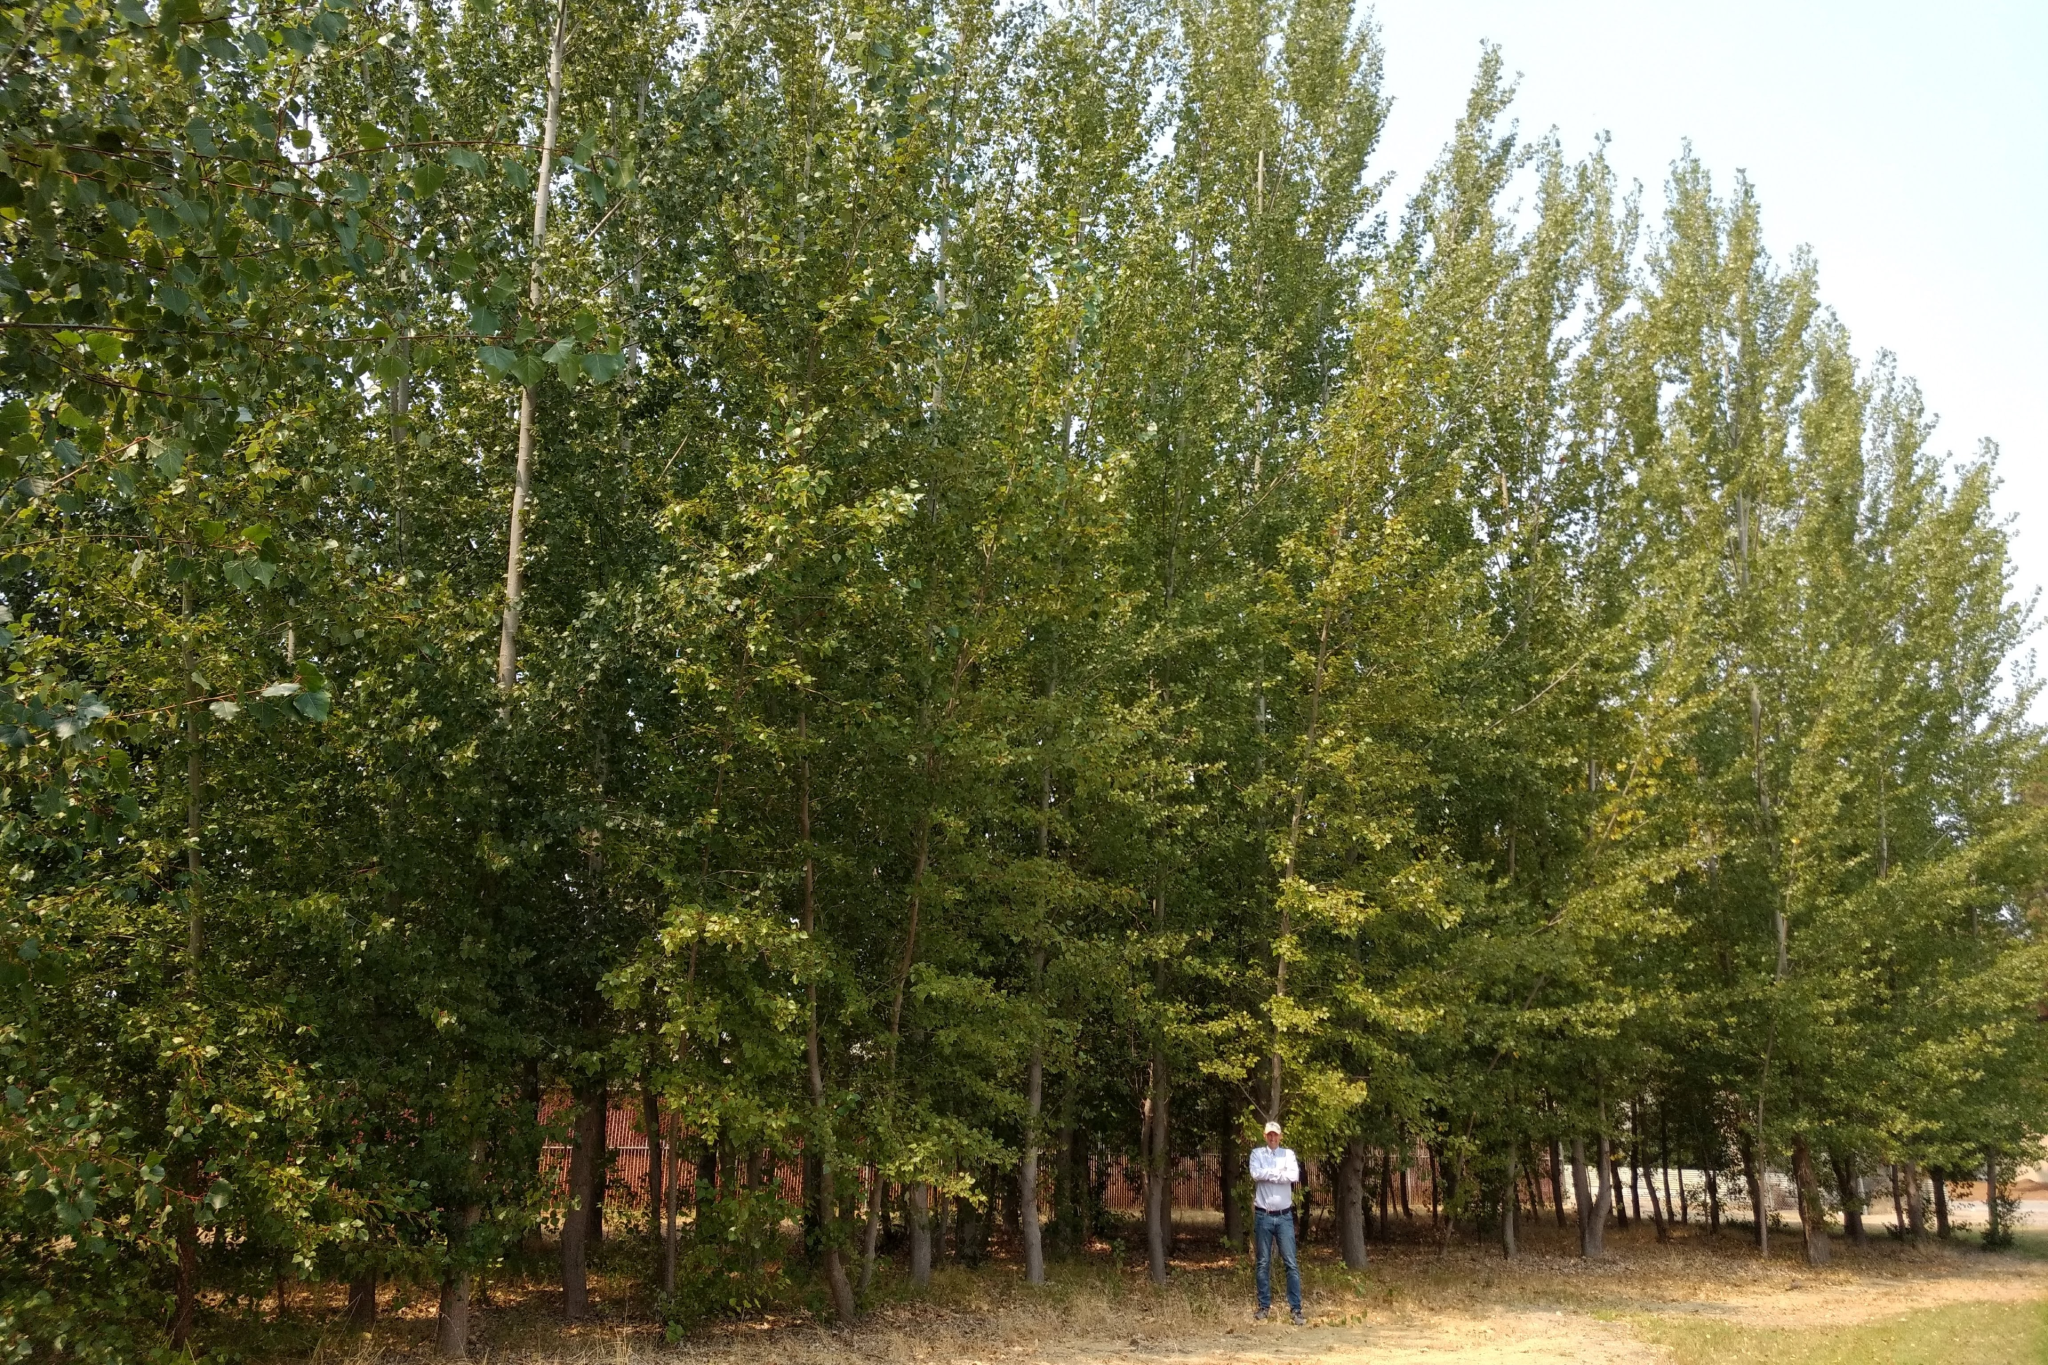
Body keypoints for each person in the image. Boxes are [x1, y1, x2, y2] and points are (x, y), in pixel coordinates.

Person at [1248, 1119, 1303, 1324]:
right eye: (1269, 1134)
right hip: (1263, 1215)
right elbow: (1256, 1174)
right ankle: (1263, 1307)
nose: (1272, 1137)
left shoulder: (1288, 1154)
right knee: (1263, 1263)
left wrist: (1269, 1174)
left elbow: (1294, 1175)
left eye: (1275, 1134)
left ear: (1280, 1136)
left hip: (1284, 1216)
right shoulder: (1257, 1154)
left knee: (1291, 1263)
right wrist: (1279, 1174)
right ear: (1265, 1136)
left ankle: (1296, 1309)